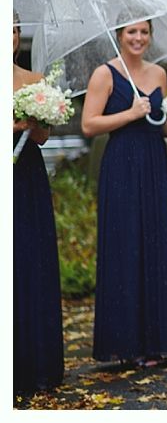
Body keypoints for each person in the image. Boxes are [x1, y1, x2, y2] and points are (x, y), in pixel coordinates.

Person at [81, 20, 167, 367]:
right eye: (132, 32)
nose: (139, 38)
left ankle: (157, 342)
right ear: (119, 36)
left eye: (144, 32)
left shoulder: (158, 74)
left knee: (155, 243)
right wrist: (128, 113)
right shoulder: (104, 75)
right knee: (126, 245)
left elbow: (160, 123)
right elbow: (88, 124)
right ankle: (125, 345)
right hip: (122, 165)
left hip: (154, 165)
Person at [13, 20, 64, 396]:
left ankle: (35, 361)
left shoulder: (33, 78)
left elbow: (43, 138)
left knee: (29, 259)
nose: (10, 37)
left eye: (14, 30)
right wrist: (15, 123)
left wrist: (37, 120)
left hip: (26, 173)